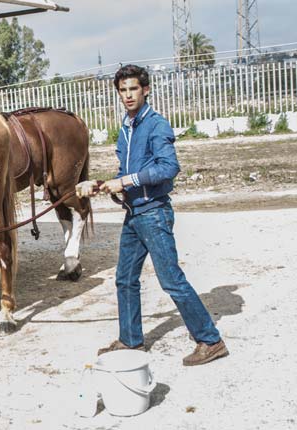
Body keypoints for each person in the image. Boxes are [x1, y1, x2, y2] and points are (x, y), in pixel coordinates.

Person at [76, 64, 228, 366]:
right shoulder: (127, 127)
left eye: (134, 89)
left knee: (171, 280)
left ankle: (210, 340)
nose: (128, 95)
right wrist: (104, 185)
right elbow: (126, 172)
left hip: (154, 214)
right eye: (123, 90)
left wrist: (126, 181)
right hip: (134, 215)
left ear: (145, 90)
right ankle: (131, 340)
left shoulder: (156, 125)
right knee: (125, 279)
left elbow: (167, 168)